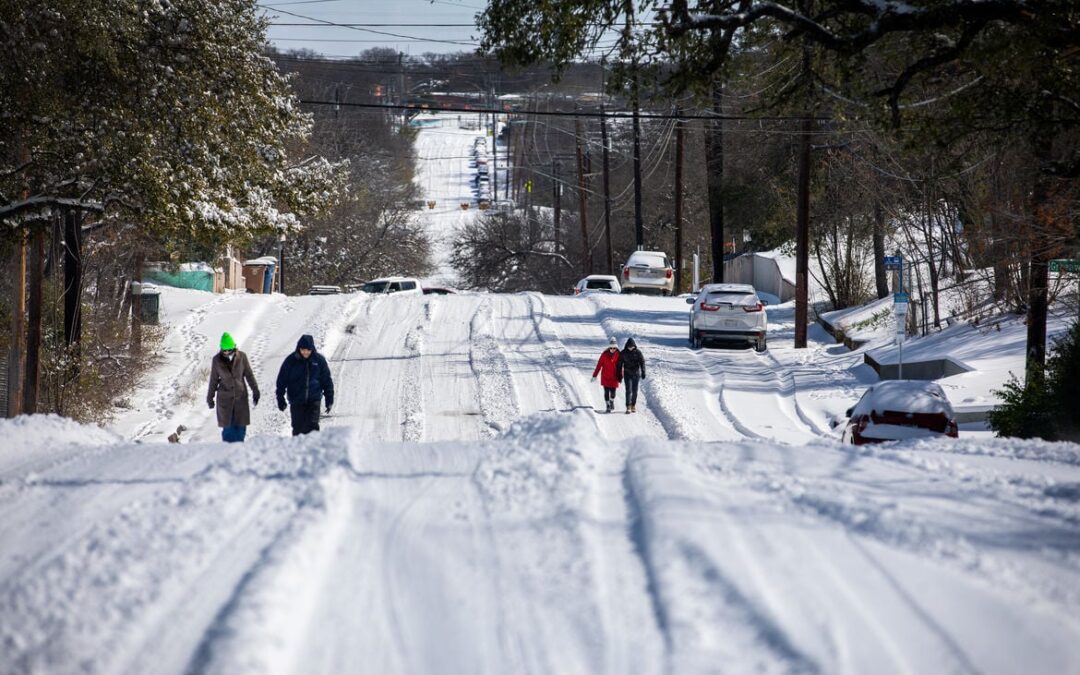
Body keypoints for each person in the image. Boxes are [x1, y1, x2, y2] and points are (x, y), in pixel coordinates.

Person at [275, 334, 335, 436]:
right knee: (298, 429)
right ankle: (297, 451)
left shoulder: (319, 361)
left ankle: (313, 450)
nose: (305, 352)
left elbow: (326, 381)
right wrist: (280, 398)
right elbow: (282, 380)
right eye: (303, 349)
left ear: (312, 349)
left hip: (314, 400)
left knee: (312, 427)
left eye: (308, 350)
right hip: (296, 400)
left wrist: (329, 398)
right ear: (299, 348)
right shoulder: (291, 361)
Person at [207, 332, 259, 443]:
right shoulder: (216, 360)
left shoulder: (242, 357)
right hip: (225, 400)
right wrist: (209, 398)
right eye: (224, 350)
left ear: (233, 347)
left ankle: (239, 455)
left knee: (240, 430)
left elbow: (249, 375)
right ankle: (228, 454)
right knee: (229, 432)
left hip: (240, 398)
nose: (226, 352)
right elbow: (213, 380)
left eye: (228, 349)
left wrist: (255, 391)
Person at [591, 337, 622, 413]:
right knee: (606, 392)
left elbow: (620, 366)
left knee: (613, 393)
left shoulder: (619, 355)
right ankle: (608, 405)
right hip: (605, 376)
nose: (612, 349)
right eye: (611, 348)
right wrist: (595, 375)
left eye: (614, 348)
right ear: (609, 347)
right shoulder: (604, 354)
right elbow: (599, 365)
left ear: (616, 348)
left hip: (614, 377)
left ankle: (611, 401)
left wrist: (620, 375)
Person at [617, 337, 646, 414]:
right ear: (627, 346)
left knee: (635, 391)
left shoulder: (638, 353)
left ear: (634, 346)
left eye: (632, 347)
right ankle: (628, 406)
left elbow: (642, 362)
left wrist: (643, 372)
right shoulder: (623, 353)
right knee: (628, 390)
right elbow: (619, 364)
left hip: (636, 374)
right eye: (629, 347)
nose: (630, 348)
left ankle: (633, 405)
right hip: (627, 373)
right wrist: (619, 375)